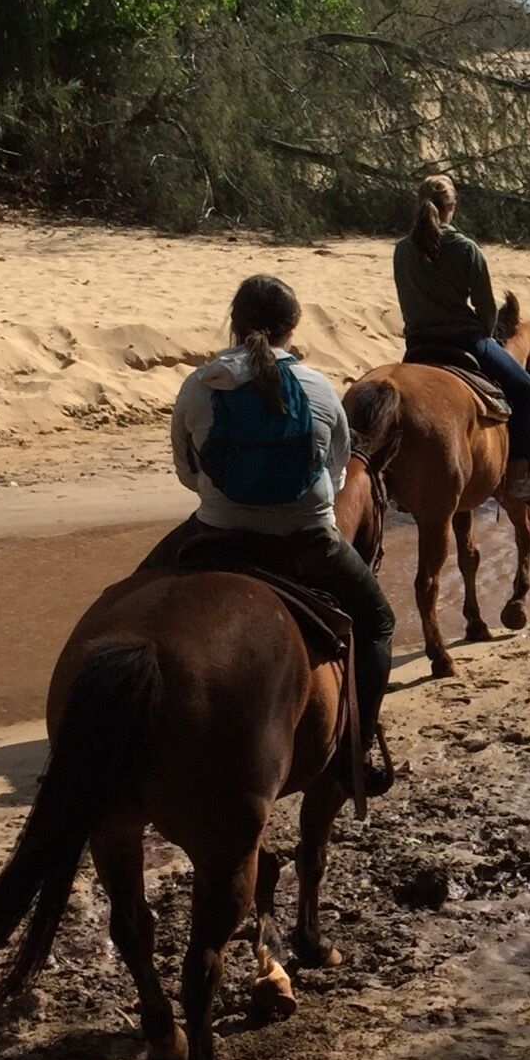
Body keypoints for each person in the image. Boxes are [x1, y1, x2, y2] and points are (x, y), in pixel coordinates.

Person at [138, 273, 394, 786]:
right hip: (307, 541)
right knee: (377, 622)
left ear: (234, 324)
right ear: (293, 329)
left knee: (130, 598)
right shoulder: (320, 388)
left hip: (214, 530)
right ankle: (355, 752)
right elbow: (340, 472)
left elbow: (189, 474)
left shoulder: (199, 384)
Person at [394, 175, 530, 507]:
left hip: (417, 346)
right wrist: (484, 333)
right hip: (464, 340)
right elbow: (485, 310)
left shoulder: (401, 250)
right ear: (452, 207)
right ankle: (523, 475)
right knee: (528, 392)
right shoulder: (466, 248)